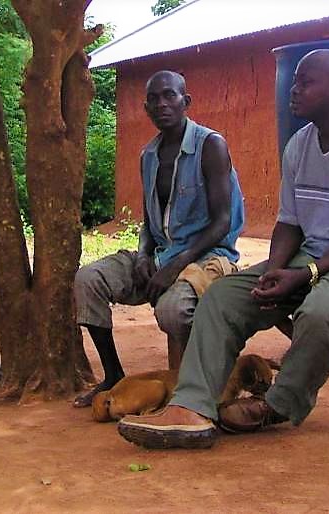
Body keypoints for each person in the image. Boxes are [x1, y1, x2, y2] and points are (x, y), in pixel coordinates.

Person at [117, 50, 329, 449]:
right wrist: (274, 268)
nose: (293, 91)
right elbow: (290, 222)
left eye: (305, 82)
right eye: (293, 81)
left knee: (320, 310)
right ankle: (192, 407)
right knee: (224, 298)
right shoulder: (300, 144)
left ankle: (278, 405)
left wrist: (306, 275)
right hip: (313, 253)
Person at [72, 70, 245, 408]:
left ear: (186, 102)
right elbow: (150, 222)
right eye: (154, 99)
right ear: (146, 108)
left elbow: (222, 222)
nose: (162, 104)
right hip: (162, 255)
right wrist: (141, 257)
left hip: (207, 256)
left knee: (173, 310)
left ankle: (193, 387)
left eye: (170, 96)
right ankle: (113, 375)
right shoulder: (148, 156)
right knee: (88, 279)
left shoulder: (211, 145)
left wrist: (176, 265)